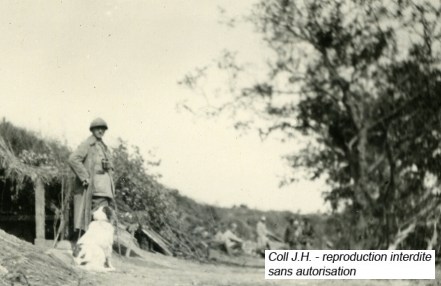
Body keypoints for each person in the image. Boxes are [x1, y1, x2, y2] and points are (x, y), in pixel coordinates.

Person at [68, 118, 115, 239]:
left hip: (105, 191)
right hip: (95, 191)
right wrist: (85, 177)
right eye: (98, 128)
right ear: (92, 130)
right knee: (96, 221)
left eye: (103, 129)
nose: (101, 131)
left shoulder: (104, 147)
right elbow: (73, 159)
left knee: (101, 222)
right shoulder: (88, 145)